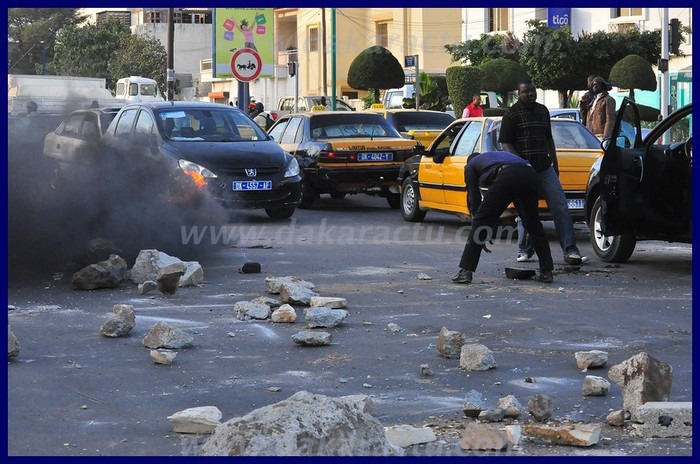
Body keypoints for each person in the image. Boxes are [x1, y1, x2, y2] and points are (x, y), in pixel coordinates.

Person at [499, 80, 584, 266]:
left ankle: (570, 250)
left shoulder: (542, 111)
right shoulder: (511, 114)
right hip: (524, 170)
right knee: (528, 211)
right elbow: (505, 142)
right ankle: (525, 250)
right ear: (518, 94)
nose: (530, 94)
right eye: (526, 91)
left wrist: (556, 163)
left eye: (533, 91)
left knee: (560, 206)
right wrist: (521, 164)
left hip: (545, 168)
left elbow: (549, 139)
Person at [452, 151, 554, 284]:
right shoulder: (496, 157)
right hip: (530, 174)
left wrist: (480, 231)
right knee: (533, 223)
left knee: (480, 220)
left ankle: (465, 271)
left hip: (507, 175)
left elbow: (474, 199)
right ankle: (546, 272)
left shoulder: (471, 165)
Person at [586, 76, 617, 141]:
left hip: (601, 136)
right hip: (591, 135)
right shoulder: (593, 100)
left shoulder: (608, 100)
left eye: (597, 84)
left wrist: (606, 137)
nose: (595, 86)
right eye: (593, 84)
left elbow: (610, 119)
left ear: (602, 86)